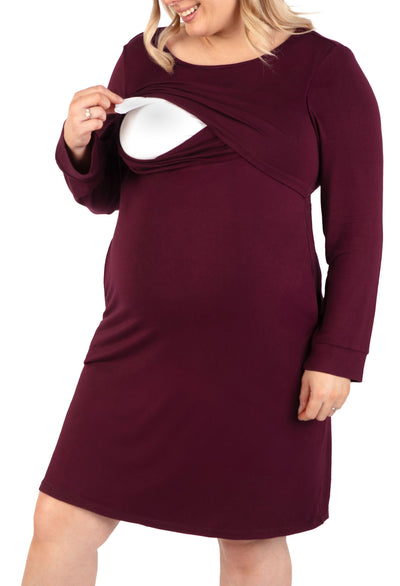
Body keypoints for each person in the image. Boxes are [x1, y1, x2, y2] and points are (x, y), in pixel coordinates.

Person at [21, 0, 383, 584]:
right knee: (60, 520)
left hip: (265, 356)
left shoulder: (324, 67)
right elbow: (105, 193)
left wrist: (338, 354)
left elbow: (358, 231)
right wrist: (78, 143)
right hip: (136, 342)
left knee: (249, 541)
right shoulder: (143, 58)